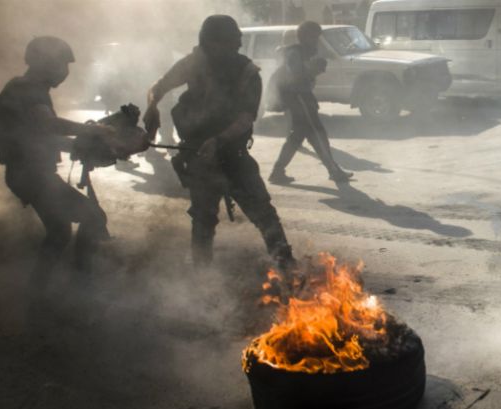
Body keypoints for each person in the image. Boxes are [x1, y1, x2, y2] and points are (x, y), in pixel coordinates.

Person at [143, 15, 296, 270]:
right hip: (198, 156)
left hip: (233, 155)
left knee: (264, 215)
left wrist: (218, 140)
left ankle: (287, 268)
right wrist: (152, 107)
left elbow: (246, 119)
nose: (237, 47)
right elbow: (159, 86)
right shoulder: (193, 63)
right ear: (211, 42)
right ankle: (202, 277)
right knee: (203, 220)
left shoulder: (247, 72)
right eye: (231, 41)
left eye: (238, 41)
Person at [0, 36, 125, 290]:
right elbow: (48, 125)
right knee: (93, 218)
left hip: (28, 173)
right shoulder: (27, 90)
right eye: (63, 64)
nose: (65, 72)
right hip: (31, 175)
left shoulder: (27, 89)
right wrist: (93, 131)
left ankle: (40, 288)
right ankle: (81, 284)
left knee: (60, 231)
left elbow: (39, 136)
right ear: (46, 63)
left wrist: (82, 146)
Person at [268, 21, 354, 185]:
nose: (317, 39)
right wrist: (313, 69)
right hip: (299, 98)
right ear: (306, 36)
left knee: (300, 136)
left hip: (301, 98)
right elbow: (296, 77)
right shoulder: (295, 53)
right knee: (317, 133)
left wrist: (313, 70)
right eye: (315, 36)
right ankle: (333, 171)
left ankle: (278, 172)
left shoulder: (303, 52)